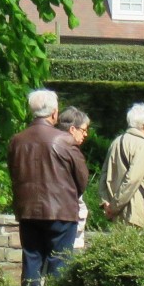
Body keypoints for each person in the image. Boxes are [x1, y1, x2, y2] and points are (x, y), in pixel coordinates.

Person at [9, 88, 88, 286]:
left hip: (28, 210)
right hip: (61, 211)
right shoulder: (65, 140)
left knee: (32, 259)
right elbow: (82, 178)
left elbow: (14, 173)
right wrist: (71, 194)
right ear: (54, 113)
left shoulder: (17, 140)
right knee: (60, 261)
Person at [102, 103, 144, 227]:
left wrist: (106, 203)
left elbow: (104, 175)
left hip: (115, 211)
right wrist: (115, 206)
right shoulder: (143, 145)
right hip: (134, 211)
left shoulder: (116, 141)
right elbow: (133, 179)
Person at [58, 106, 92, 249]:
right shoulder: (72, 150)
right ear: (72, 129)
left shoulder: (46, 144)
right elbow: (82, 181)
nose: (85, 134)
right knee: (62, 258)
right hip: (66, 211)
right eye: (83, 130)